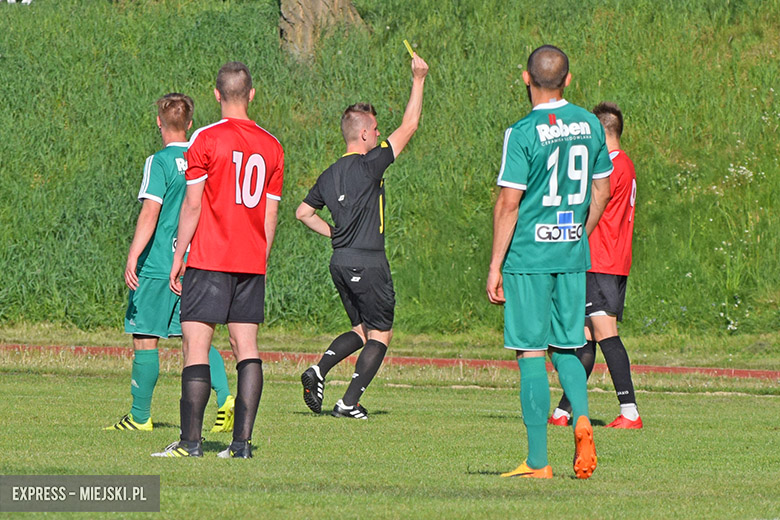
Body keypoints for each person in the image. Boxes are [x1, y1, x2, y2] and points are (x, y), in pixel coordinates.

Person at [486, 45, 612, 479]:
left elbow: (509, 203)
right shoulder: (591, 124)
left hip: (529, 257)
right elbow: (602, 191)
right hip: (571, 253)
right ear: (568, 80)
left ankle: (538, 460)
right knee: (567, 346)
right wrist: (577, 233)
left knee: (531, 352)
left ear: (526, 78)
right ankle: (582, 418)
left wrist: (495, 265)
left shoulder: (522, 132)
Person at [152, 62, 284, 458]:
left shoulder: (206, 138)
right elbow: (270, 215)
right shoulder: (272, 145)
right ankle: (241, 445)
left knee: (196, 346)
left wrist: (179, 255)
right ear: (252, 94)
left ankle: (190, 443)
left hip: (209, 257)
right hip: (250, 261)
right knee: (247, 348)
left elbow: (193, 205)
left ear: (216, 94)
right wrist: (260, 258)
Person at [296, 52, 429, 419]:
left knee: (360, 330)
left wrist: (334, 233)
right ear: (365, 133)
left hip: (339, 261)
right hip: (368, 263)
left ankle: (319, 370)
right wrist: (418, 79)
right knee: (380, 334)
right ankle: (347, 403)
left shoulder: (328, 174)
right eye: (376, 129)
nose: (379, 134)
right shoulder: (371, 164)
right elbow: (410, 125)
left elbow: (303, 212)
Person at [105, 93, 235, 434]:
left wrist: (134, 254)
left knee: (145, 336)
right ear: (190, 124)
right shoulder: (203, 158)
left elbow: (151, 211)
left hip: (160, 264)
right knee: (196, 339)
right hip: (197, 262)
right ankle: (226, 398)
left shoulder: (159, 161)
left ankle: (139, 417)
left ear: (159, 123)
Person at [549, 101, 641, 429]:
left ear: (600, 132)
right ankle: (563, 412)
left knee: (605, 334)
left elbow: (586, 204)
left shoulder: (611, 166)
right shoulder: (625, 163)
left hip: (601, 260)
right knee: (585, 339)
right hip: (611, 261)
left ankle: (630, 411)